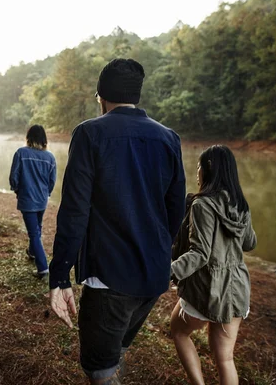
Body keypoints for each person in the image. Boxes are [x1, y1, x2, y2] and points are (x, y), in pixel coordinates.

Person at [48, 58, 186, 384]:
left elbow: (74, 211)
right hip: (153, 277)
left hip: (110, 278)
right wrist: (158, 254)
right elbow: (175, 209)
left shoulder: (89, 133)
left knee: (99, 369)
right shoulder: (168, 138)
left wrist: (59, 276)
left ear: (101, 96)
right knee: (117, 349)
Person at [170, 145, 257, 385]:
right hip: (237, 289)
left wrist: (168, 270)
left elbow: (200, 254)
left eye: (199, 166)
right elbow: (250, 243)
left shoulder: (202, 205)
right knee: (225, 359)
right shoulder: (240, 204)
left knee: (178, 331)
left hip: (207, 288)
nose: (196, 171)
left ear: (208, 169)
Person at [9, 125, 57, 279]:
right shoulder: (50, 157)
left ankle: (43, 268)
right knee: (37, 228)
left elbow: (13, 177)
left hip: (27, 199)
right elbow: (52, 181)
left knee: (34, 233)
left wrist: (17, 190)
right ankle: (32, 252)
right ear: (44, 140)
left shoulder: (21, 153)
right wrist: (46, 193)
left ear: (28, 138)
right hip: (42, 200)